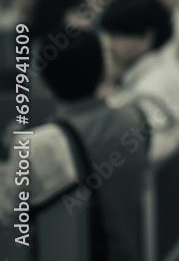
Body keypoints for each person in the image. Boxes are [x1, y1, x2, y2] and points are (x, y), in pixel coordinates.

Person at [0, 29, 148, 260]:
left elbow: (8, 214)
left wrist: (13, 154)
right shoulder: (134, 118)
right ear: (102, 72)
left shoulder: (36, 145)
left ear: (43, 82)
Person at [99, 0, 179, 169]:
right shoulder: (163, 66)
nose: (109, 45)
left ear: (147, 36)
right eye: (108, 35)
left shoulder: (148, 89)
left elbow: (140, 156)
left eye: (118, 35)